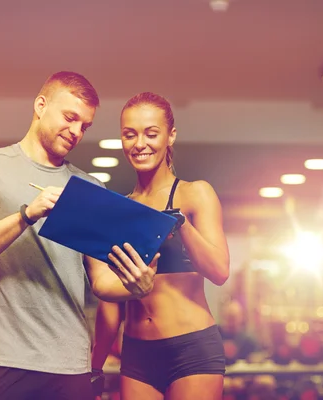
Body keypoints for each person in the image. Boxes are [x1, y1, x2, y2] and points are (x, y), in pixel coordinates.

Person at [0, 72, 160, 400]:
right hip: (1, 358)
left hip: (69, 365)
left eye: (84, 126)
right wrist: (26, 215)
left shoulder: (88, 188)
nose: (76, 132)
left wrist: (137, 287)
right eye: (70, 117)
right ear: (41, 105)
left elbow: (101, 282)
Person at [91, 92, 230, 399]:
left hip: (192, 348)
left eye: (151, 133)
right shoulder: (119, 210)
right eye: (130, 135)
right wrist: (94, 367)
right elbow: (110, 302)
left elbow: (219, 271)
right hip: (137, 353)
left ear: (170, 136)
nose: (140, 144)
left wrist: (180, 225)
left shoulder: (196, 194)